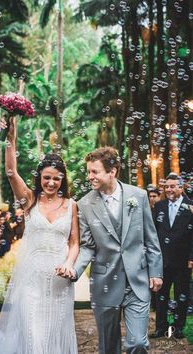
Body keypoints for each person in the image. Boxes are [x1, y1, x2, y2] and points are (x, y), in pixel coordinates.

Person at [0, 117, 79, 354]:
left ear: (62, 180)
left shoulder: (71, 205)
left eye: (57, 178)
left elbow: (74, 241)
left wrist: (69, 263)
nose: (51, 182)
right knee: (34, 335)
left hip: (60, 280)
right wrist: (11, 139)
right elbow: (11, 172)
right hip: (31, 280)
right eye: (47, 177)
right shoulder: (30, 201)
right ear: (39, 178)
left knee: (55, 333)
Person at [64, 147, 163, 354]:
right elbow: (87, 246)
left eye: (95, 172)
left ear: (112, 171)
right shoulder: (84, 204)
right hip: (105, 283)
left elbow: (151, 238)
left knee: (137, 343)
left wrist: (155, 272)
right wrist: (74, 270)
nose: (90, 176)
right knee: (108, 348)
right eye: (88, 171)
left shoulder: (139, 196)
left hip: (137, 281)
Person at [151, 173, 193, 339]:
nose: (168, 189)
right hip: (162, 259)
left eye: (172, 186)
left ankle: (178, 327)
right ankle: (160, 328)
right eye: (166, 186)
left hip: (183, 260)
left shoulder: (191, 207)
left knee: (181, 295)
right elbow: (153, 232)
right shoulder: (159, 206)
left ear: (181, 188)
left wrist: (191, 257)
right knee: (160, 295)